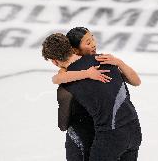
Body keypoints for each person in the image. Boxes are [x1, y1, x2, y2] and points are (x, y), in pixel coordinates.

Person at [42, 33, 142, 161]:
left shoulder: (68, 81)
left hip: (111, 136)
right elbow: (136, 82)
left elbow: (63, 124)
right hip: (134, 129)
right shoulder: (105, 59)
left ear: (55, 61)